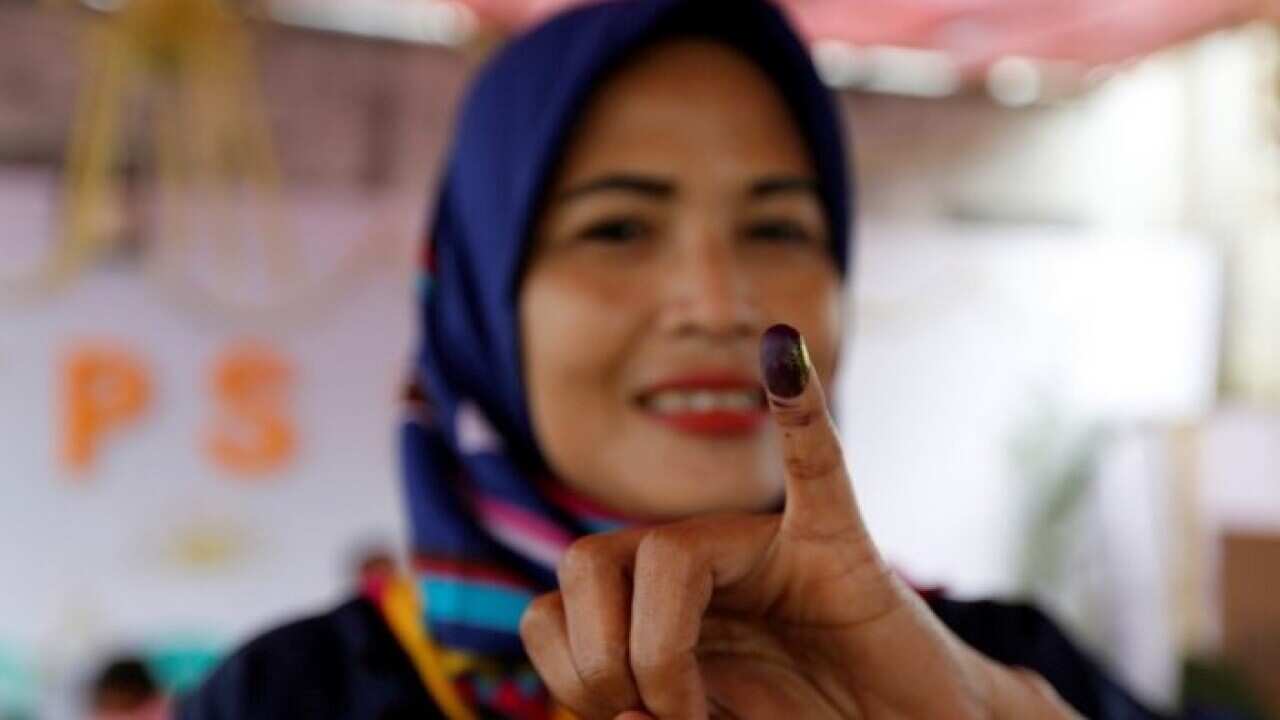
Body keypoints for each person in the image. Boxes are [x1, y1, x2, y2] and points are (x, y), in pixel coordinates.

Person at [179, 0, 1168, 717]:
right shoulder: (293, 697)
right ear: (481, 301)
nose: (717, 303)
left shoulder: (993, 672)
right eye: (615, 228)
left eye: (776, 226)